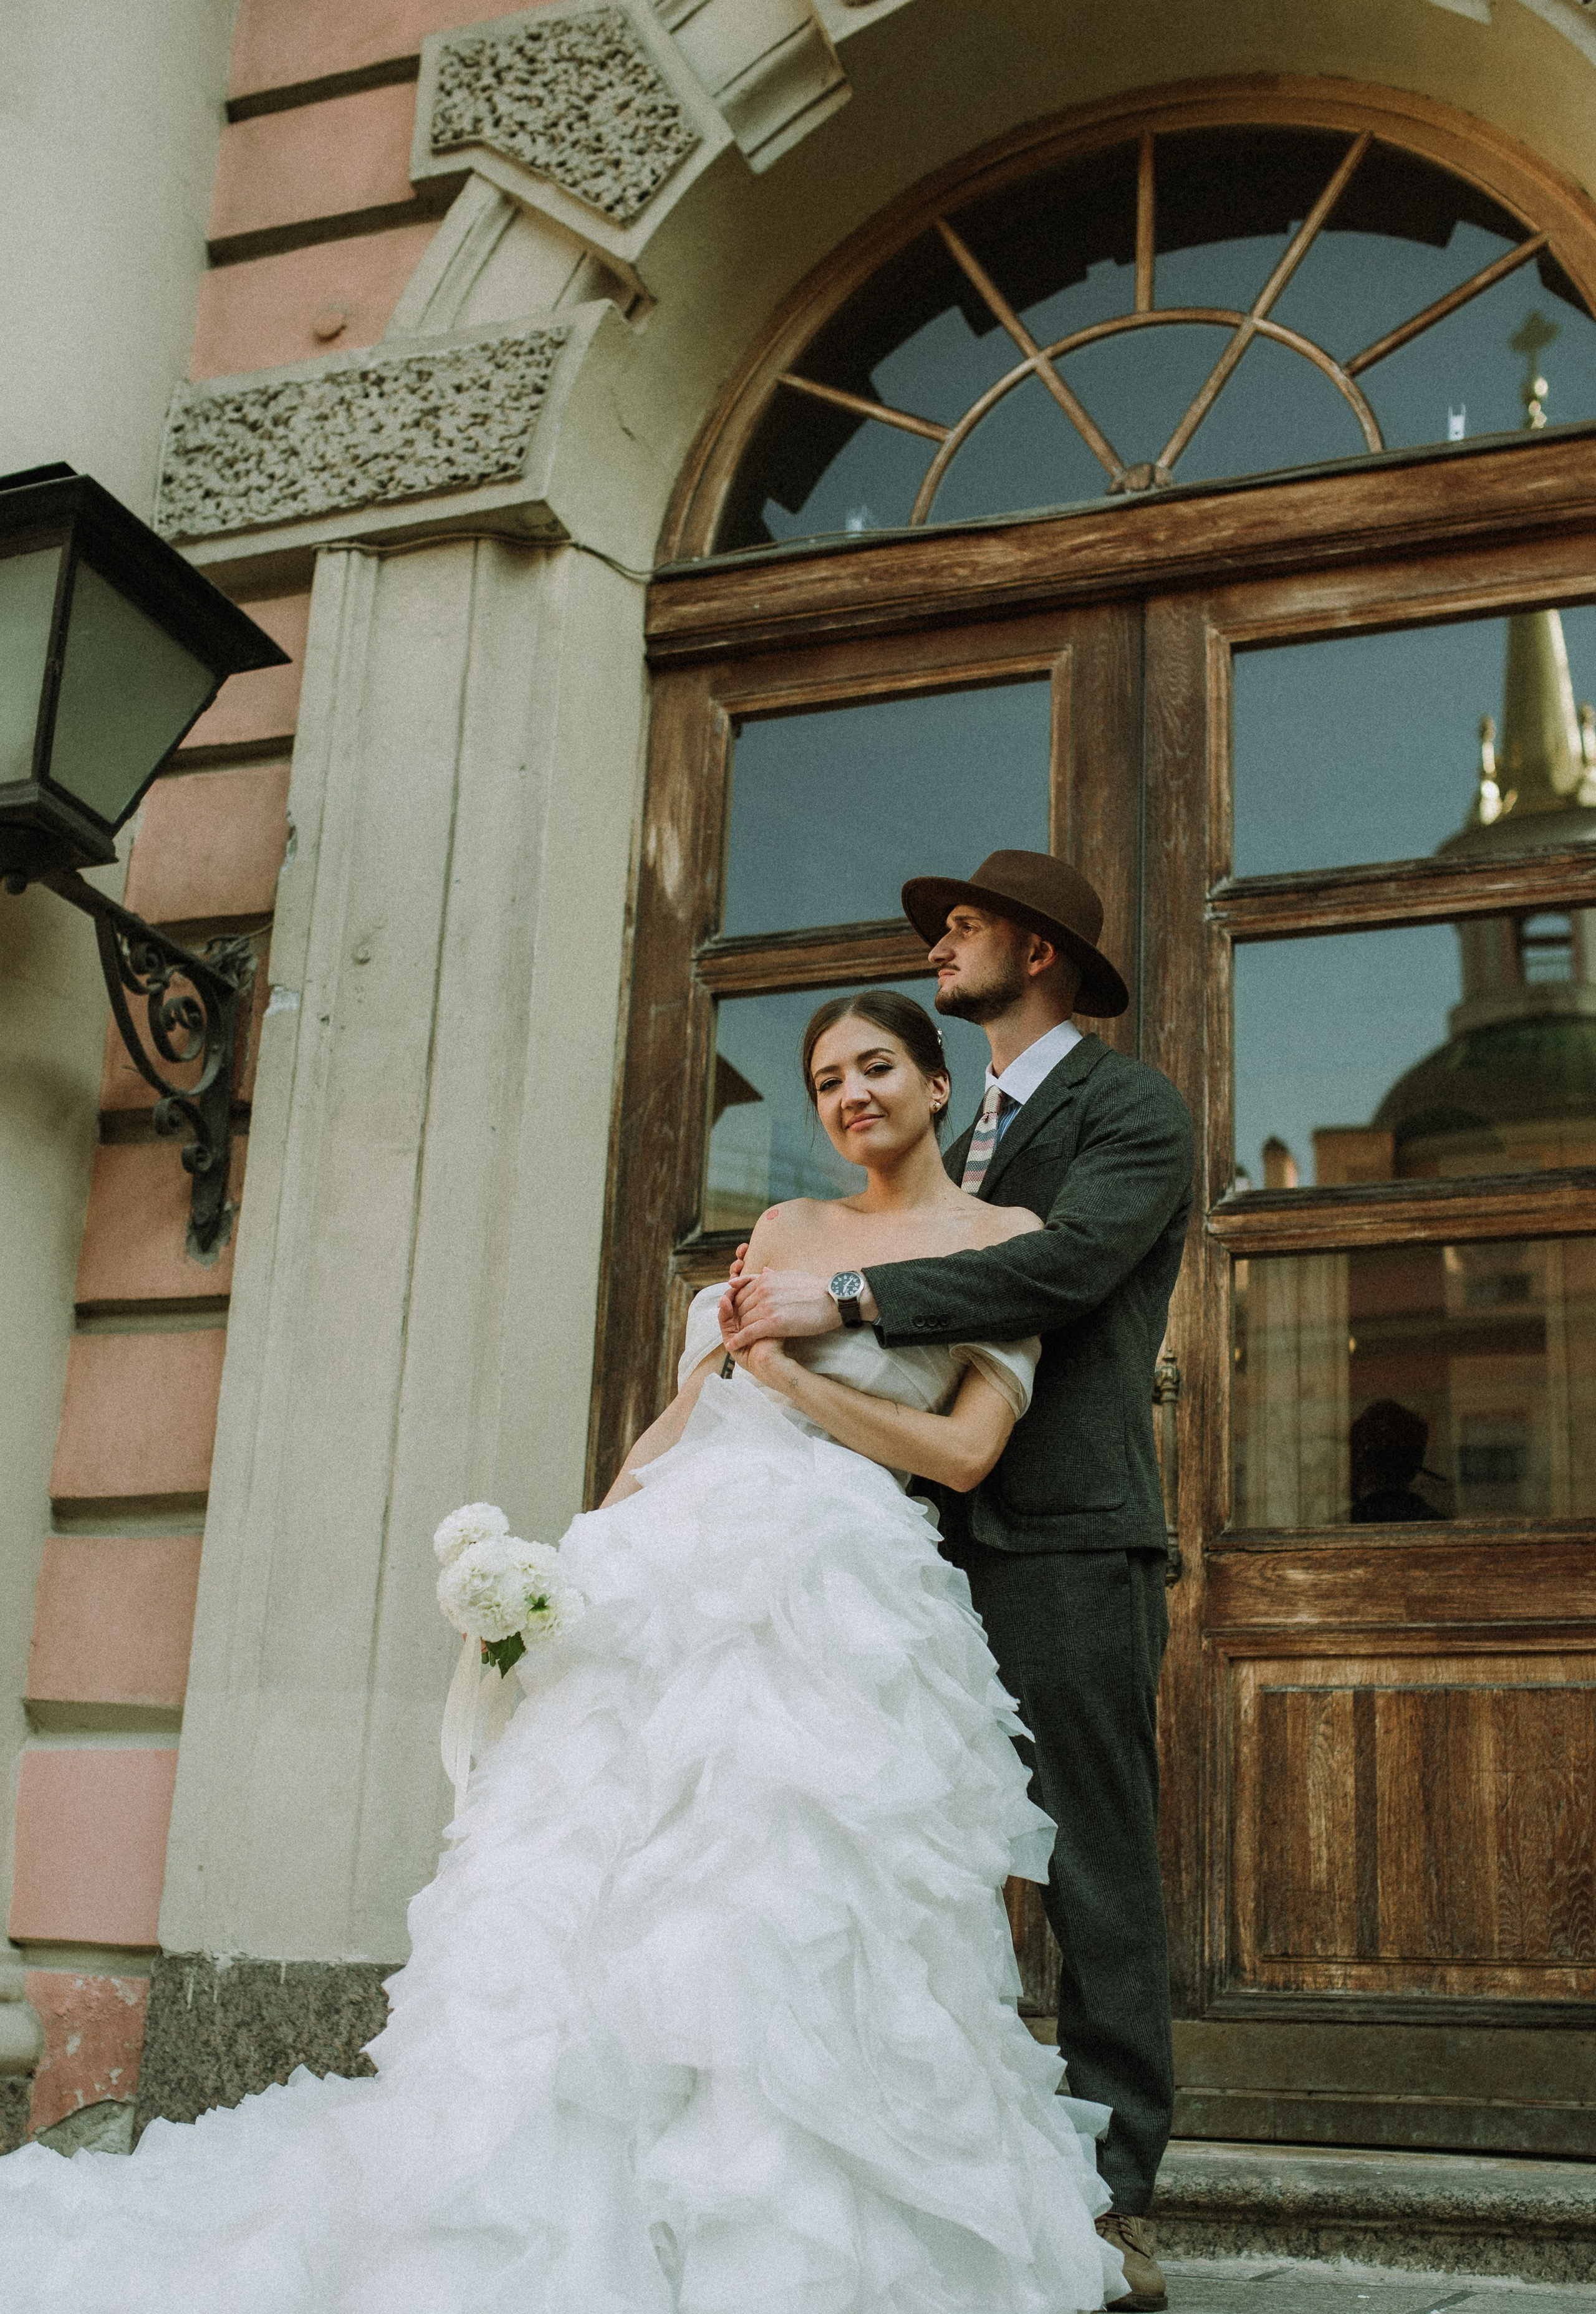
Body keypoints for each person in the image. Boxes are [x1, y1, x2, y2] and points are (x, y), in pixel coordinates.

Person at [0, 987, 1127, 2314]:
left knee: (788, 1891)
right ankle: (563, 2204)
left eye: (876, 1065)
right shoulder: (785, 1226)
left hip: (838, 1586)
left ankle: (778, 2218)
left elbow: (961, 1451)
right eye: (823, 1079)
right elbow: (686, 1410)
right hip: (673, 1562)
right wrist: (571, 1557)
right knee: (591, 1881)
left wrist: (800, 1382)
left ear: (938, 1085)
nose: (847, 1095)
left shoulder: (1003, 1242)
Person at [723, 852, 1195, 2314]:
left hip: (1061, 1531)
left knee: (1088, 1865)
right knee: (909, 1856)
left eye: (968, 921)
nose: (940, 935)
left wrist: (848, 1296)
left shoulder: (1129, 1112)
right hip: (907, 1544)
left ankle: (1113, 2196)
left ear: (1038, 948)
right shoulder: (954, 1121)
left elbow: (1062, 1272)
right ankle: (931, 2160)